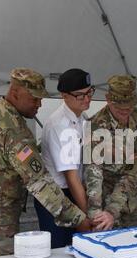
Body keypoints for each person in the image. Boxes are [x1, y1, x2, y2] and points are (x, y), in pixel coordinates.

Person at [0, 68, 92, 258]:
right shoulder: (12, 128)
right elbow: (39, 182)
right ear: (15, 93)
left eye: (41, 98)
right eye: (34, 99)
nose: (39, 104)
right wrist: (79, 219)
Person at [35, 68, 94, 248]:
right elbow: (71, 176)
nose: (87, 99)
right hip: (57, 197)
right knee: (61, 253)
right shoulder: (59, 125)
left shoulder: (82, 118)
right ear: (64, 96)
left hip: (75, 190)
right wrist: (86, 216)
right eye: (80, 95)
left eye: (89, 92)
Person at [84, 75, 137, 231]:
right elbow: (93, 174)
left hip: (133, 203)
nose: (126, 111)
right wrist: (96, 214)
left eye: (129, 107)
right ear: (107, 99)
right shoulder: (95, 126)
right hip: (107, 208)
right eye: (120, 108)